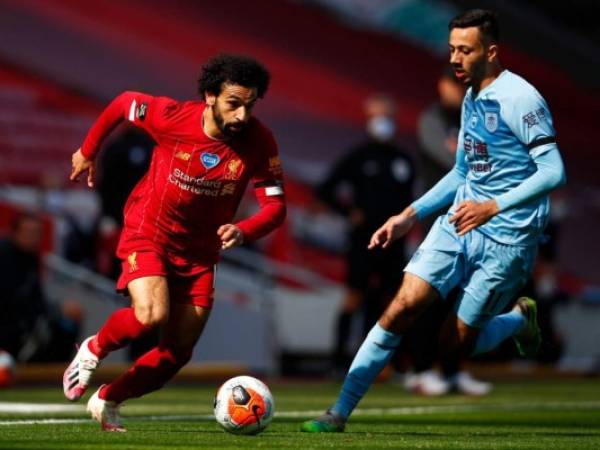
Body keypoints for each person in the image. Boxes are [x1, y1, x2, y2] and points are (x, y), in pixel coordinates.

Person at [301, 9, 566, 432]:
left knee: (453, 344)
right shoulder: (470, 98)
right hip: (459, 223)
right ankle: (339, 412)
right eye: (452, 49)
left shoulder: (522, 99)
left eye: (465, 50)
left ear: (491, 51)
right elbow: (463, 172)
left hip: (508, 237)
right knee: (401, 306)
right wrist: (409, 215)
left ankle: (518, 319)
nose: (455, 58)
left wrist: (493, 206)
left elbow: (553, 171)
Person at [63, 54, 286, 432]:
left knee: (178, 352)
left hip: (199, 253)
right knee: (151, 314)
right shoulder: (172, 116)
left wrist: (245, 230)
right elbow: (122, 103)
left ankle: (108, 398)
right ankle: (93, 348)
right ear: (210, 96)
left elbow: (275, 206)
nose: (242, 116)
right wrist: (88, 150)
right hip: (149, 231)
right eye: (234, 104)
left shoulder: (259, 141)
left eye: (249, 106)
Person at [401, 69, 491, 396]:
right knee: (431, 297)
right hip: (439, 221)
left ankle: (453, 370)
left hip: (472, 220)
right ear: (442, 85)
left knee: (462, 297)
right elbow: (455, 158)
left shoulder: (476, 116)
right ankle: (420, 369)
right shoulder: (432, 119)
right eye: (457, 85)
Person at [315, 94, 415, 373]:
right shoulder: (358, 157)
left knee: (393, 300)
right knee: (354, 297)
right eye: (376, 116)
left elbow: (411, 201)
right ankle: (338, 362)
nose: (382, 122)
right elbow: (325, 189)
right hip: (363, 241)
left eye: (386, 116)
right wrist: (350, 214)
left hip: (395, 242)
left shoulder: (403, 160)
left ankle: (389, 363)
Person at [0, 213, 81, 362]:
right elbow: (13, 299)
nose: (33, 237)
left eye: (37, 233)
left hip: (25, 320)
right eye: (28, 232)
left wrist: (56, 309)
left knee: (68, 323)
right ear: (15, 233)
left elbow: (36, 297)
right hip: (10, 325)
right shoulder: (4, 255)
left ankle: (57, 374)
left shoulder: (31, 258)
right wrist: (55, 310)